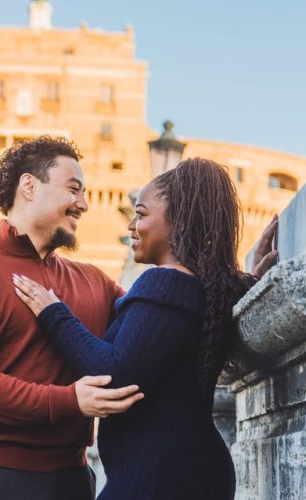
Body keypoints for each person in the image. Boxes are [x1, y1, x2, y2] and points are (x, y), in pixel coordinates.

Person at [13, 158, 263, 499]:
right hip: (187, 469)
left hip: (159, 476)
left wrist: (54, 312)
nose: (132, 224)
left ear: (180, 222)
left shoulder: (165, 282)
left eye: (142, 214)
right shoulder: (206, 286)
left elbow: (113, 375)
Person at [0, 136, 144, 500]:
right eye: (73, 189)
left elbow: (154, 320)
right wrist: (69, 401)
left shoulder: (93, 282)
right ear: (29, 186)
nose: (84, 205)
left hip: (71, 479)